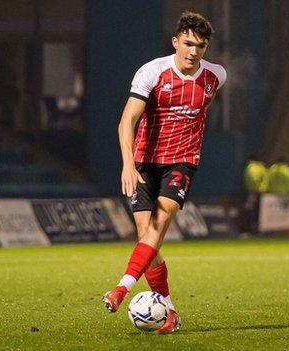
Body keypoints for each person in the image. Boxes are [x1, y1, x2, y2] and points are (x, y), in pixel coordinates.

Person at [102, 11, 226, 334]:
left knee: (158, 224)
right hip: (143, 161)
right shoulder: (152, 72)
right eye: (187, 43)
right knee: (148, 240)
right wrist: (128, 164)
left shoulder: (216, 77)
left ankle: (122, 289)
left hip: (182, 162)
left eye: (200, 45)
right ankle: (169, 311)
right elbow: (126, 121)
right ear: (175, 42)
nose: (193, 51)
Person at [242, 155, 267, 234]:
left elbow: (253, 179)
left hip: (253, 192)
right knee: (259, 211)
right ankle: (259, 228)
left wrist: (253, 188)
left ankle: (250, 228)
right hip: (262, 192)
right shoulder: (262, 167)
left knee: (250, 210)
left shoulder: (251, 167)